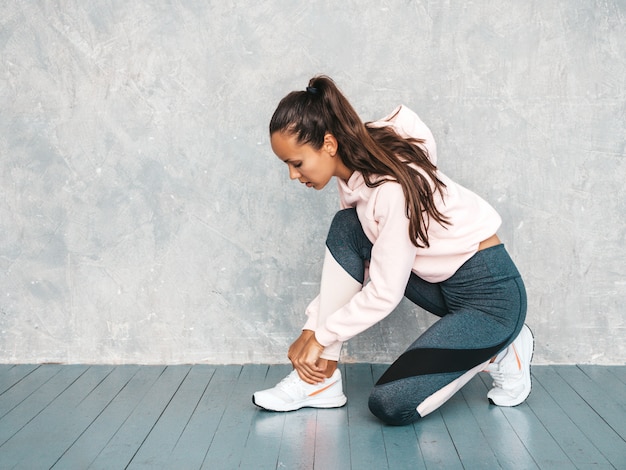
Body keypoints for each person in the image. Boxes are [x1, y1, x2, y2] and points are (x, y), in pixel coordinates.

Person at [252, 75, 533, 425]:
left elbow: (385, 292)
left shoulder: (389, 190)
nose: (294, 176)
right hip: (443, 285)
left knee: (390, 404)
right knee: (348, 227)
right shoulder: (357, 164)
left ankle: (504, 344)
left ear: (328, 144)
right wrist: (314, 330)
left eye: (297, 163)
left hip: (492, 299)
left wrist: (319, 334)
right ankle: (319, 381)